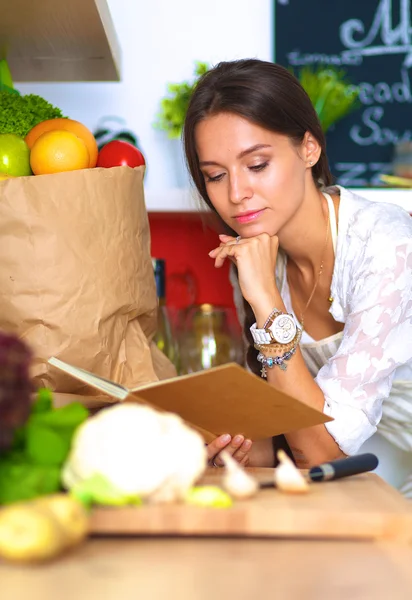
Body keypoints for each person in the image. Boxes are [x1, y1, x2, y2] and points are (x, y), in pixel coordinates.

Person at [182, 58, 412, 495]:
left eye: (257, 165)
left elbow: (318, 451)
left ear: (309, 148)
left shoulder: (387, 244)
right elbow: (290, 435)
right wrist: (238, 449)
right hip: (356, 475)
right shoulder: (257, 255)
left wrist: (267, 300)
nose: (235, 194)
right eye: (215, 175)